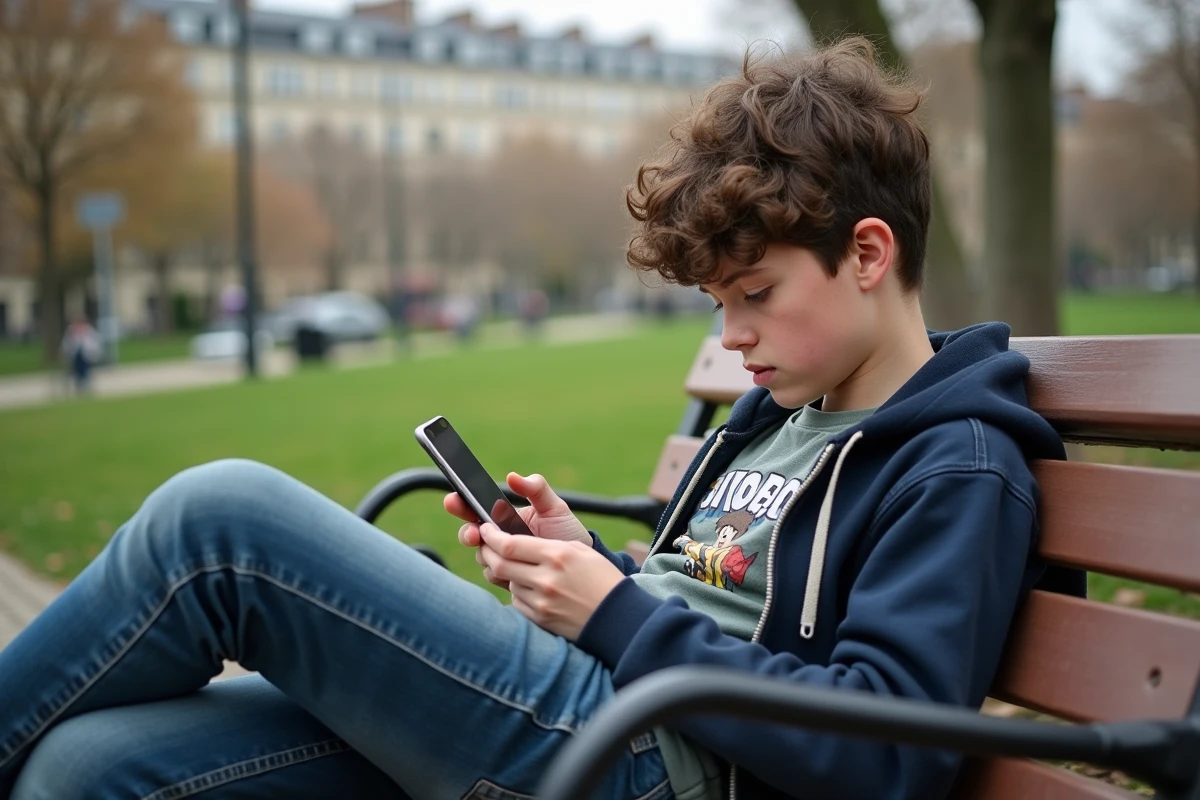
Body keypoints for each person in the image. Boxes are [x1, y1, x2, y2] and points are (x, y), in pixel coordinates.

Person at [0, 38, 1080, 800]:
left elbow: (883, 753)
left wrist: (610, 612)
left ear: (870, 252)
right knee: (82, 770)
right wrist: (587, 559)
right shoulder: (779, 412)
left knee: (218, 523)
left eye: (756, 294)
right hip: (599, 696)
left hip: (651, 759)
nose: (736, 333)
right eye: (719, 306)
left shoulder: (957, 462)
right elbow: (698, 588)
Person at [59, 316, 102, 394]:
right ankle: (82, 379)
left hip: (88, 358)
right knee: (78, 357)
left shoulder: (89, 333)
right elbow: (66, 347)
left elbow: (94, 346)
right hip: (74, 359)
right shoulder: (71, 333)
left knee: (82, 357)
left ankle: (81, 380)